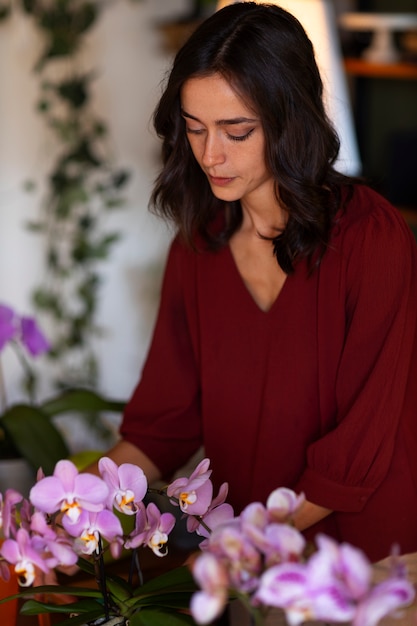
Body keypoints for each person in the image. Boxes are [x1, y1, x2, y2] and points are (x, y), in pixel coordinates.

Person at [106, 1, 417, 563]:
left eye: (237, 131)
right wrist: (77, 506)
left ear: (289, 118)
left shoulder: (373, 238)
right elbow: (164, 421)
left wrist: (242, 548)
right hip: (249, 556)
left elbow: (359, 444)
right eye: (194, 129)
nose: (210, 154)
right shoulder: (199, 245)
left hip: (364, 558)